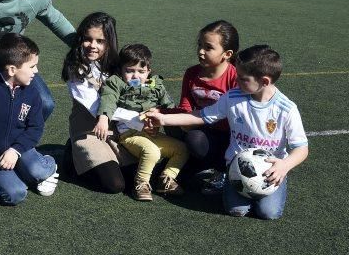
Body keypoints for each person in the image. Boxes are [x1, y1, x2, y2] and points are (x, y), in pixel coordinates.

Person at [147, 45, 309, 220]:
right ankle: (226, 181)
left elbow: (301, 148)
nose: (236, 80)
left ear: (264, 82)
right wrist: (163, 119)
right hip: (237, 168)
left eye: (242, 78)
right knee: (236, 211)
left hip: (271, 172)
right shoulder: (233, 97)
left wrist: (284, 166)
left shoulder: (286, 109)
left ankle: (273, 189)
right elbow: (201, 116)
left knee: (268, 213)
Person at [98, 44, 189, 202]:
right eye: (130, 70)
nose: (135, 76)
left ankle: (165, 179)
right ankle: (141, 183)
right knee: (152, 152)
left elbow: (169, 106)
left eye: (141, 71)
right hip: (129, 134)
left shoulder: (155, 85)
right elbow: (108, 100)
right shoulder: (116, 83)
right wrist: (104, 117)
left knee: (182, 148)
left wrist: (180, 118)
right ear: (121, 70)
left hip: (152, 133)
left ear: (148, 71)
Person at [0, 33, 59, 205]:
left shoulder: (32, 93)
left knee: (37, 171)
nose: (36, 71)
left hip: (18, 149)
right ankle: (13, 174)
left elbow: (35, 128)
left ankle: (49, 165)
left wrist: (15, 151)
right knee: (13, 194)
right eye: (32, 66)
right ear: (12, 70)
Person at [61, 12, 135, 193]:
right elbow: (96, 108)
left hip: (115, 132)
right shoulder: (76, 68)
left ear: (109, 42)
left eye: (100, 41)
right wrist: (138, 118)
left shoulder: (116, 66)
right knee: (115, 185)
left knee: (136, 176)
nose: (92, 46)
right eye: (87, 39)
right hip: (88, 132)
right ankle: (73, 155)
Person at [165, 20, 239, 194]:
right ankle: (195, 161)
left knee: (195, 140)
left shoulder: (235, 77)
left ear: (227, 54)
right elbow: (185, 104)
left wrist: (198, 120)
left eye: (208, 47)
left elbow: (237, 117)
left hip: (228, 135)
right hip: (201, 127)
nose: (200, 51)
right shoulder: (192, 73)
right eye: (199, 45)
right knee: (170, 122)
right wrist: (164, 114)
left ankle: (221, 171)